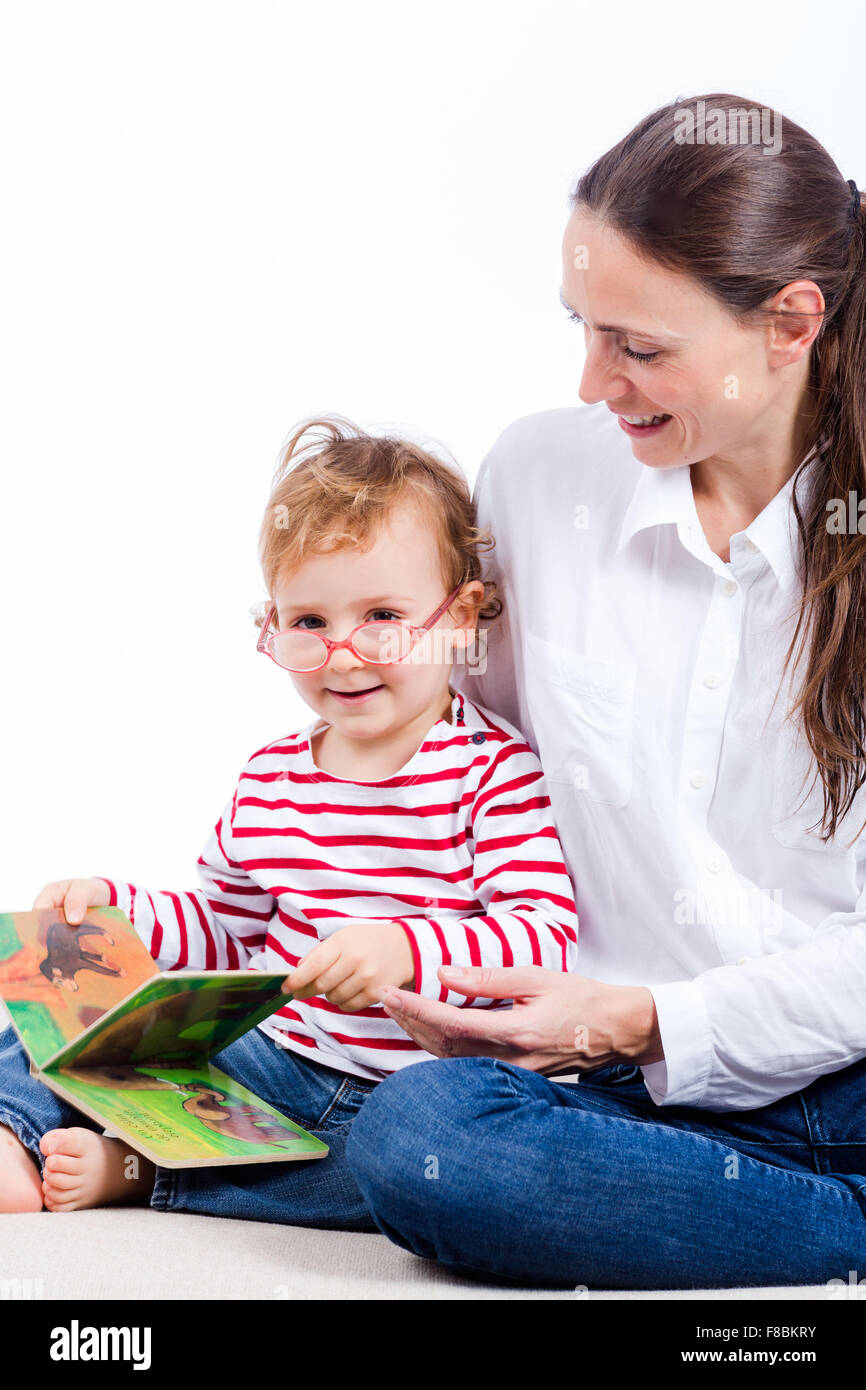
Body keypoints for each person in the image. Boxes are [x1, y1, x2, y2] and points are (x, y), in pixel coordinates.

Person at [343, 92, 866, 1290]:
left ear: (790, 323)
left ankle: (787, 1214)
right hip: (615, 1086)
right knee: (417, 1130)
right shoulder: (537, 477)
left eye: (637, 346)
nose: (591, 381)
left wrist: (644, 1018)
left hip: (829, 1069)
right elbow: (464, 753)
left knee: (402, 1149)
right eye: (581, 328)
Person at [0, 415, 578, 1220]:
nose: (343, 651)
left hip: (412, 1090)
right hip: (273, 1057)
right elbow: (228, 928)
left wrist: (403, 948)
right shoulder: (272, 776)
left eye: (381, 616)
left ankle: (142, 1172)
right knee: (54, 1010)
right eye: (310, 622)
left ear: (460, 614)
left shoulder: (491, 769)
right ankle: (14, 1133)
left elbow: (542, 934)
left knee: (411, 1173)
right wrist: (119, 913)